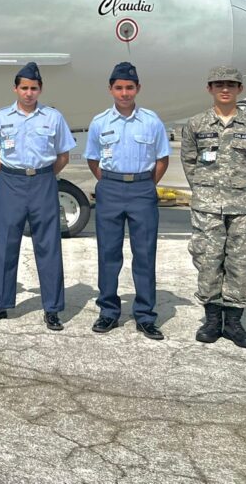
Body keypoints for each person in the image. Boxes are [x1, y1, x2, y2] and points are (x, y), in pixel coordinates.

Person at [0, 62, 75, 330]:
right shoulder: (1, 117)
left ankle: (52, 308)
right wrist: (11, 172)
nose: (29, 93)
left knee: (48, 245)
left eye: (34, 88)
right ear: (16, 89)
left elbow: (63, 154)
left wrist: (42, 174)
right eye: (24, 88)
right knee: (5, 244)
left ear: (40, 89)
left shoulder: (53, 117)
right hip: (10, 182)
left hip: (43, 181)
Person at [181, 66, 246, 349]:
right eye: (219, 84)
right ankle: (211, 319)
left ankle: (233, 322)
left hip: (241, 206)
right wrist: (206, 192)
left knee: (239, 263)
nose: (225, 89)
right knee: (208, 261)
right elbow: (189, 162)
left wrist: (237, 189)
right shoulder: (196, 124)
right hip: (206, 206)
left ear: (240, 89)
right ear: (209, 89)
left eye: (231, 84)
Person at [84, 62, 170, 340]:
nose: (124, 93)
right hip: (110, 188)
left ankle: (145, 315)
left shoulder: (151, 121)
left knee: (144, 255)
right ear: (110, 89)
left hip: (143, 189)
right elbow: (93, 159)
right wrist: (111, 182)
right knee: (109, 254)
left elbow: (162, 159)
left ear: (138, 89)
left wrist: (143, 184)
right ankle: (108, 311)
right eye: (119, 88)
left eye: (129, 87)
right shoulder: (99, 122)